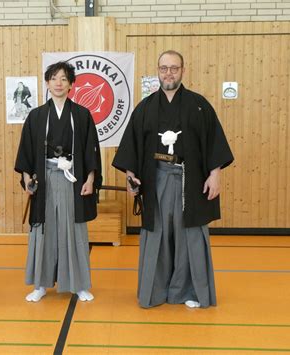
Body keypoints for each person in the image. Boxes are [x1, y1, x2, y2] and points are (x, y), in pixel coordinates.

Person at [112, 50, 234, 309]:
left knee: (187, 234)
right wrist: (131, 177)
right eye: (164, 68)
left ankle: (188, 290)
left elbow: (214, 142)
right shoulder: (145, 107)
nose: (169, 73)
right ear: (158, 71)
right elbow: (132, 146)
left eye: (174, 68)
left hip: (189, 180)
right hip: (156, 178)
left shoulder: (199, 105)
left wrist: (215, 174)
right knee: (157, 234)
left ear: (183, 71)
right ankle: (155, 291)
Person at [15, 61, 102, 302]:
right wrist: (27, 180)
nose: (58, 83)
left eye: (64, 79)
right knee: (43, 231)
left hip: (72, 180)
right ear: (47, 83)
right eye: (54, 78)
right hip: (45, 179)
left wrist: (91, 178)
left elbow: (90, 151)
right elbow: (26, 153)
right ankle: (41, 284)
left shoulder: (81, 115)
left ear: (72, 84)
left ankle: (79, 283)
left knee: (74, 231)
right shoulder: (36, 116)